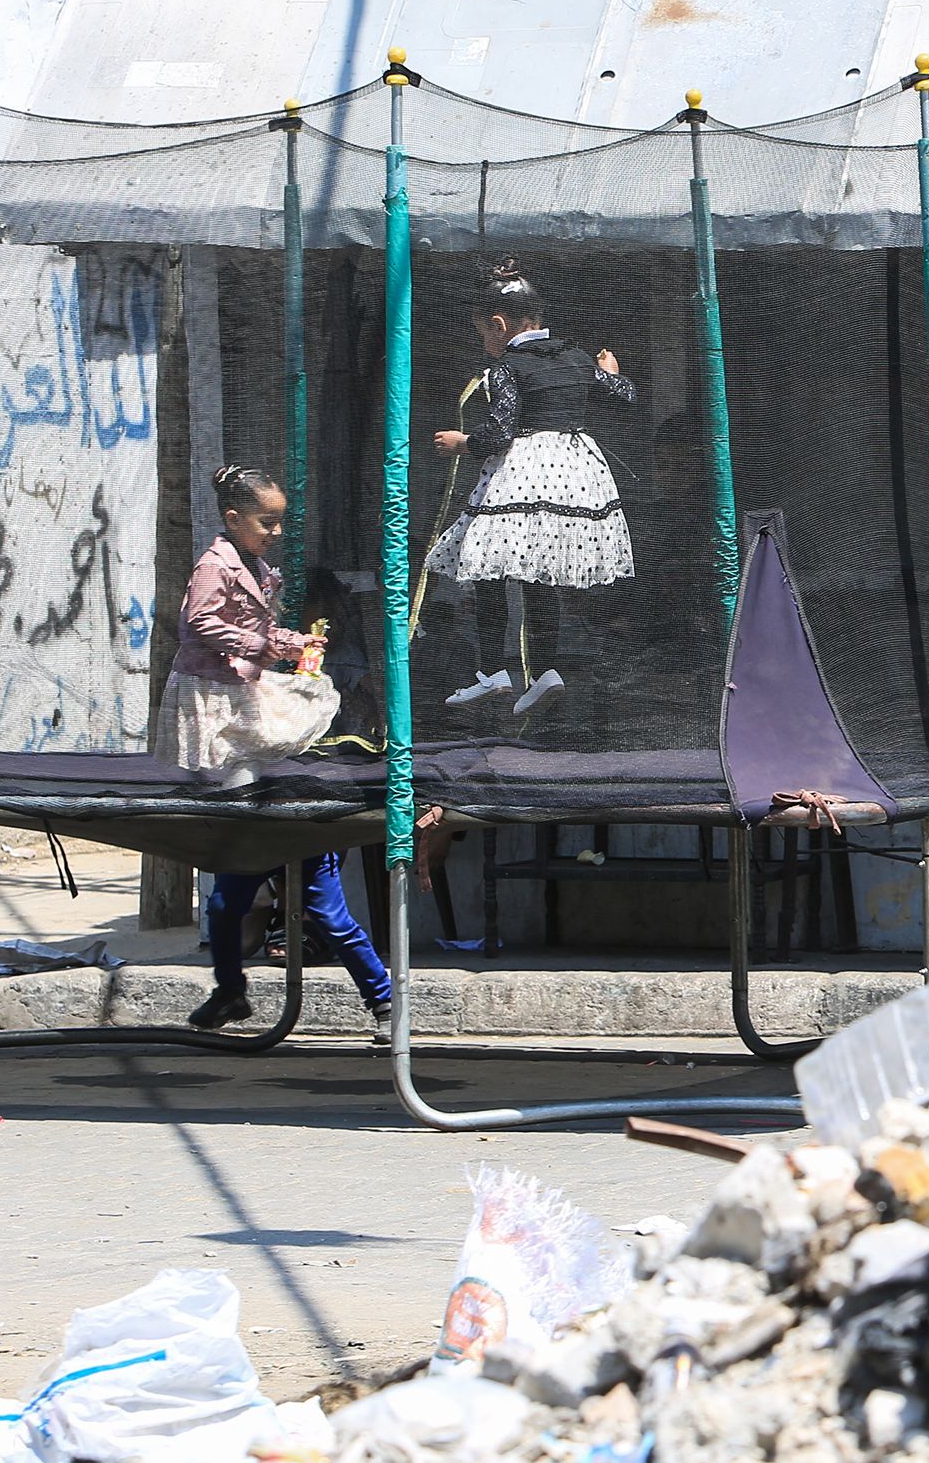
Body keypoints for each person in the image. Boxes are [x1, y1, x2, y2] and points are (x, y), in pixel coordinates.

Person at [163, 464, 395, 1033]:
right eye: (267, 522)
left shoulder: (257, 567)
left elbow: (261, 628)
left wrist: (295, 642)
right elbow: (198, 623)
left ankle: (385, 998)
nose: (276, 532)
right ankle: (230, 991)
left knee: (322, 902)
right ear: (234, 518)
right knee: (228, 897)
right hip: (220, 699)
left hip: (250, 710)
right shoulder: (215, 565)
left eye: (279, 523)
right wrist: (264, 644)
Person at [424, 258, 636, 719]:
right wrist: (613, 372)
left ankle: (494, 671)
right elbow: (623, 395)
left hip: (522, 473)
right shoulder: (577, 358)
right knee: (540, 574)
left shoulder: (506, 368)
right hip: (576, 474)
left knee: (485, 569)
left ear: (498, 326)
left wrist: (463, 442)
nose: (484, 342)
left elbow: (501, 430)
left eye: (483, 333)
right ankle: (545, 671)